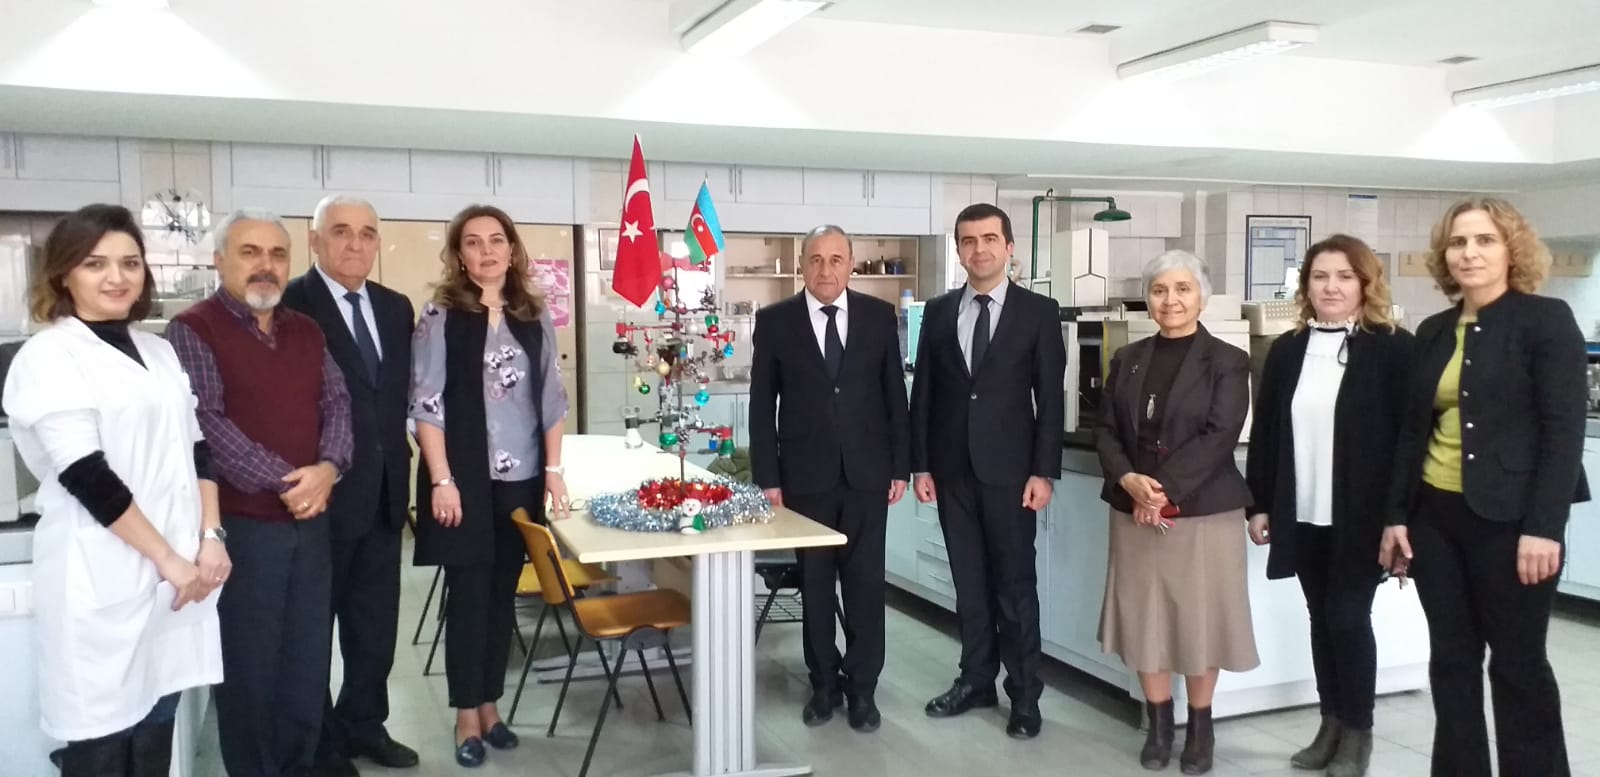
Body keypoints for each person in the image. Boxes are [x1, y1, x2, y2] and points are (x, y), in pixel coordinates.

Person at [2, 204, 226, 777]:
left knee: (156, 731)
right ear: (63, 274)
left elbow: (197, 448)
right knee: (100, 744)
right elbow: (87, 475)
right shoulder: (49, 356)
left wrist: (211, 536)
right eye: (95, 263)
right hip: (101, 574)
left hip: (177, 577)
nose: (116, 277)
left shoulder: (158, 350)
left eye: (130, 262)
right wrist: (168, 559)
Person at [1381, 197, 1588, 777]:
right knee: (1451, 662)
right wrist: (1396, 516)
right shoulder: (1433, 330)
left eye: (1484, 240)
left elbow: (1563, 432)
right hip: (1435, 519)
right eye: (1458, 242)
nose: (1469, 253)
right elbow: (1411, 432)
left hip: (1513, 522)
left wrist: (1544, 528)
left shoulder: (1546, 320)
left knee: (1518, 665)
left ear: (1511, 250)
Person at [167, 208, 354, 777]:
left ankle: (298, 766)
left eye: (277, 254)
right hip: (243, 528)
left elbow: (337, 403)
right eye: (250, 252)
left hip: (311, 524)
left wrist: (328, 468)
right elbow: (206, 423)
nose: (265, 265)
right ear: (219, 259)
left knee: (306, 661)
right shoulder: (194, 329)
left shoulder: (307, 330)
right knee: (250, 667)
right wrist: (288, 481)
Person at [1245, 235, 1413, 777]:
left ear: (1366, 284)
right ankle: (1331, 724)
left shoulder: (1393, 348)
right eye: (1320, 277)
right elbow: (1268, 432)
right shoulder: (1288, 350)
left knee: (1347, 616)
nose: (1331, 287)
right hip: (1302, 513)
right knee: (1321, 618)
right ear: (1306, 286)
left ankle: (1358, 733)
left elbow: (1409, 441)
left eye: (1344, 276)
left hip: (1362, 518)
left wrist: (1399, 517)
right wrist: (1259, 504)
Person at [411, 204, 570, 768]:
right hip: (463, 481)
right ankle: (465, 714)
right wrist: (442, 479)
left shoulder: (533, 314)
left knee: (503, 596)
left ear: (512, 249)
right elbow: (426, 404)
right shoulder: (442, 315)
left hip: (521, 481)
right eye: (473, 242)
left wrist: (554, 471)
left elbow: (552, 398)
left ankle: (491, 706)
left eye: (496, 240)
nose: (486, 251)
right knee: (469, 597)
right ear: (459, 254)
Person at [1095, 250, 1258, 775]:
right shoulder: (1127, 357)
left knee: (1200, 620)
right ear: (1148, 299)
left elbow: (1220, 435)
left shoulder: (1228, 360)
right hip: (1133, 509)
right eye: (1160, 290)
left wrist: (1160, 493)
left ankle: (1201, 729)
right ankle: (1159, 724)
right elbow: (1106, 430)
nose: (1171, 300)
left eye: (1183, 289)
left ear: (1201, 297)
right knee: (1146, 619)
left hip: (1202, 511)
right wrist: (1129, 481)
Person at [909, 203, 1066, 740]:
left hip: (1011, 474)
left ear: (1009, 247)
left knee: (1014, 588)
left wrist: (1044, 472)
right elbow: (924, 394)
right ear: (958, 250)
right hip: (951, 472)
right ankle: (976, 680)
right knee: (969, 585)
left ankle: (1024, 696)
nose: (979, 249)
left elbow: (1050, 399)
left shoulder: (1038, 312)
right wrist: (920, 464)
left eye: (990, 239)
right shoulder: (937, 312)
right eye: (969, 240)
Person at [749, 224, 910, 733]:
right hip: (805, 479)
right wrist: (768, 478)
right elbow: (761, 405)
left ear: (851, 265)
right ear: (802, 265)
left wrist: (900, 466)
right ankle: (823, 685)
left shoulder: (878, 317)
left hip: (867, 475)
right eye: (816, 259)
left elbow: (895, 396)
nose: (826, 269)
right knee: (816, 589)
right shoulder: (775, 322)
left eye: (836, 259)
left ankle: (862, 690)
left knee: (865, 588)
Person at [281, 195, 419, 775]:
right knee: (312, 630)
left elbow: (396, 395)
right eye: (340, 231)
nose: (355, 243)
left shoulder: (395, 307)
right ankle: (317, 742)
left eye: (366, 232)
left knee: (374, 628)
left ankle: (365, 724)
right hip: (322, 496)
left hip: (385, 495)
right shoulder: (292, 304)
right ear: (314, 241)